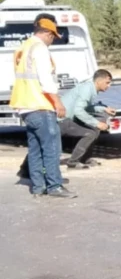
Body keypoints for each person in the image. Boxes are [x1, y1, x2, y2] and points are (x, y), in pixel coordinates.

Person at [10, 16, 76, 198]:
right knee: (51, 147)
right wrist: (57, 101)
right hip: (40, 105)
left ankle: (38, 187)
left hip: (25, 107)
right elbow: (45, 80)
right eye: (52, 36)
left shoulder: (23, 48)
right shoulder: (39, 49)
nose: (53, 40)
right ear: (46, 33)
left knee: (35, 148)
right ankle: (55, 186)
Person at [19, 69, 117, 172]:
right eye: (107, 82)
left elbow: (84, 108)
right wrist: (97, 123)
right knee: (91, 132)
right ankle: (73, 163)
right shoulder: (87, 90)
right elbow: (79, 111)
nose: (109, 86)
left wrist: (103, 109)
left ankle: (82, 159)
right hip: (61, 120)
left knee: (42, 143)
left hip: (64, 118)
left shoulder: (89, 88)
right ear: (99, 81)